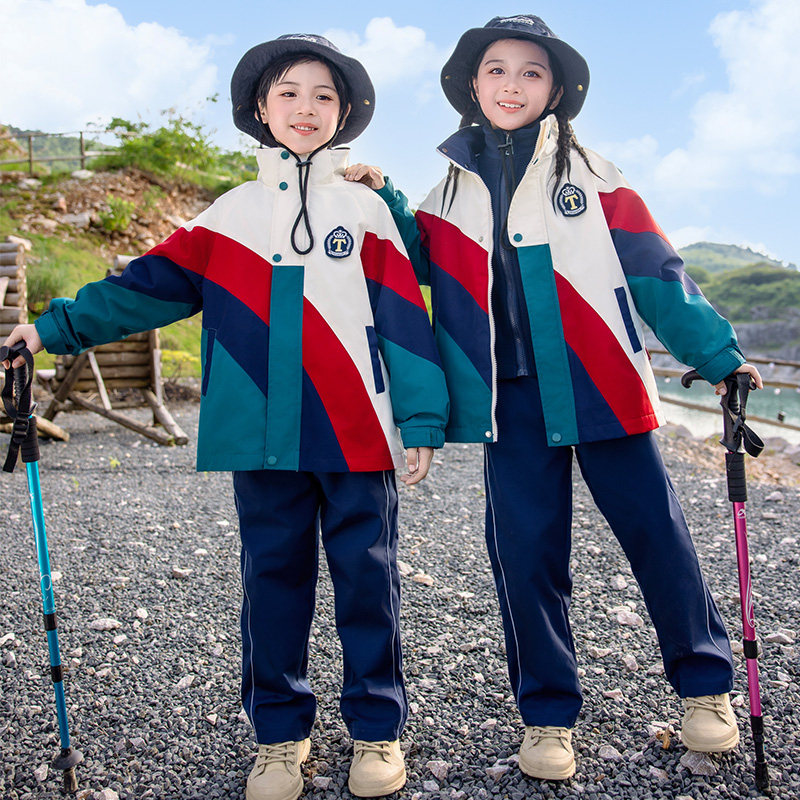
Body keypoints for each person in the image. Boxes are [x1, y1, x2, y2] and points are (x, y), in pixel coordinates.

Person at [3, 34, 449, 800]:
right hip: (260, 436)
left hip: (357, 431)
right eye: (289, 93)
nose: (306, 108)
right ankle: (279, 737)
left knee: (368, 583)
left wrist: (423, 417)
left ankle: (377, 731)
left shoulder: (369, 210)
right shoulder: (228, 216)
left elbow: (406, 317)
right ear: (260, 109)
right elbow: (139, 290)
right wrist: (48, 329)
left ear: (344, 113)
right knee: (272, 585)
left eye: (324, 96)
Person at [346, 14, 763, 782]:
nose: (512, 85)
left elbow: (657, 273)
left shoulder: (597, 177)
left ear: (557, 90)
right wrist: (384, 196)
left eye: (531, 72)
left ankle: (706, 688)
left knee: (657, 536)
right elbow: (416, 257)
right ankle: (547, 714)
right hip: (508, 404)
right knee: (526, 557)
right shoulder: (448, 191)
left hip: (603, 386)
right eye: (497, 70)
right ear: (473, 85)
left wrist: (718, 356)